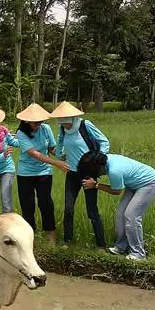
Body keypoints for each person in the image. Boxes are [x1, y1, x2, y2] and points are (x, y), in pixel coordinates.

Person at [78, 151, 155, 260]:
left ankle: (139, 253)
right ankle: (121, 247)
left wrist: (96, 185)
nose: (97, 175)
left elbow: (116, 191)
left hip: (149, 183)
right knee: (121, 214)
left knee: (131, 215)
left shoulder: (114, 170)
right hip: (133, 184)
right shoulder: (106, 159)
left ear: (98, 167)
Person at [49, 101, 110, 250]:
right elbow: (60, 143)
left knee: (92, 210)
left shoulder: (85, 125)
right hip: (72, 173)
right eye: (63, 124)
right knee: (68, 208)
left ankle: (101, 245)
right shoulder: (63, 130)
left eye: (67, 124)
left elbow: (104, 141)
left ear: (73, 119)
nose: (66, 127)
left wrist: (98, 158)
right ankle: (67, 241)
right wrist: (60, 155)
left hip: (89, 173)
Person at [15, 103, 70, 243]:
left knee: (46, 203)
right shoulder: (21, 134)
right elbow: (35, 153)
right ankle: (30, 236)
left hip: (44, 172)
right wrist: (56, 163)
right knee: (28, 205)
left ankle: (50, 235)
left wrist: (62, 156)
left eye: (40, 121)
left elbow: (51, 148)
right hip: (25, 173)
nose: (38, 124)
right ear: (27, 120)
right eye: (35, 122)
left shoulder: (45, 128)